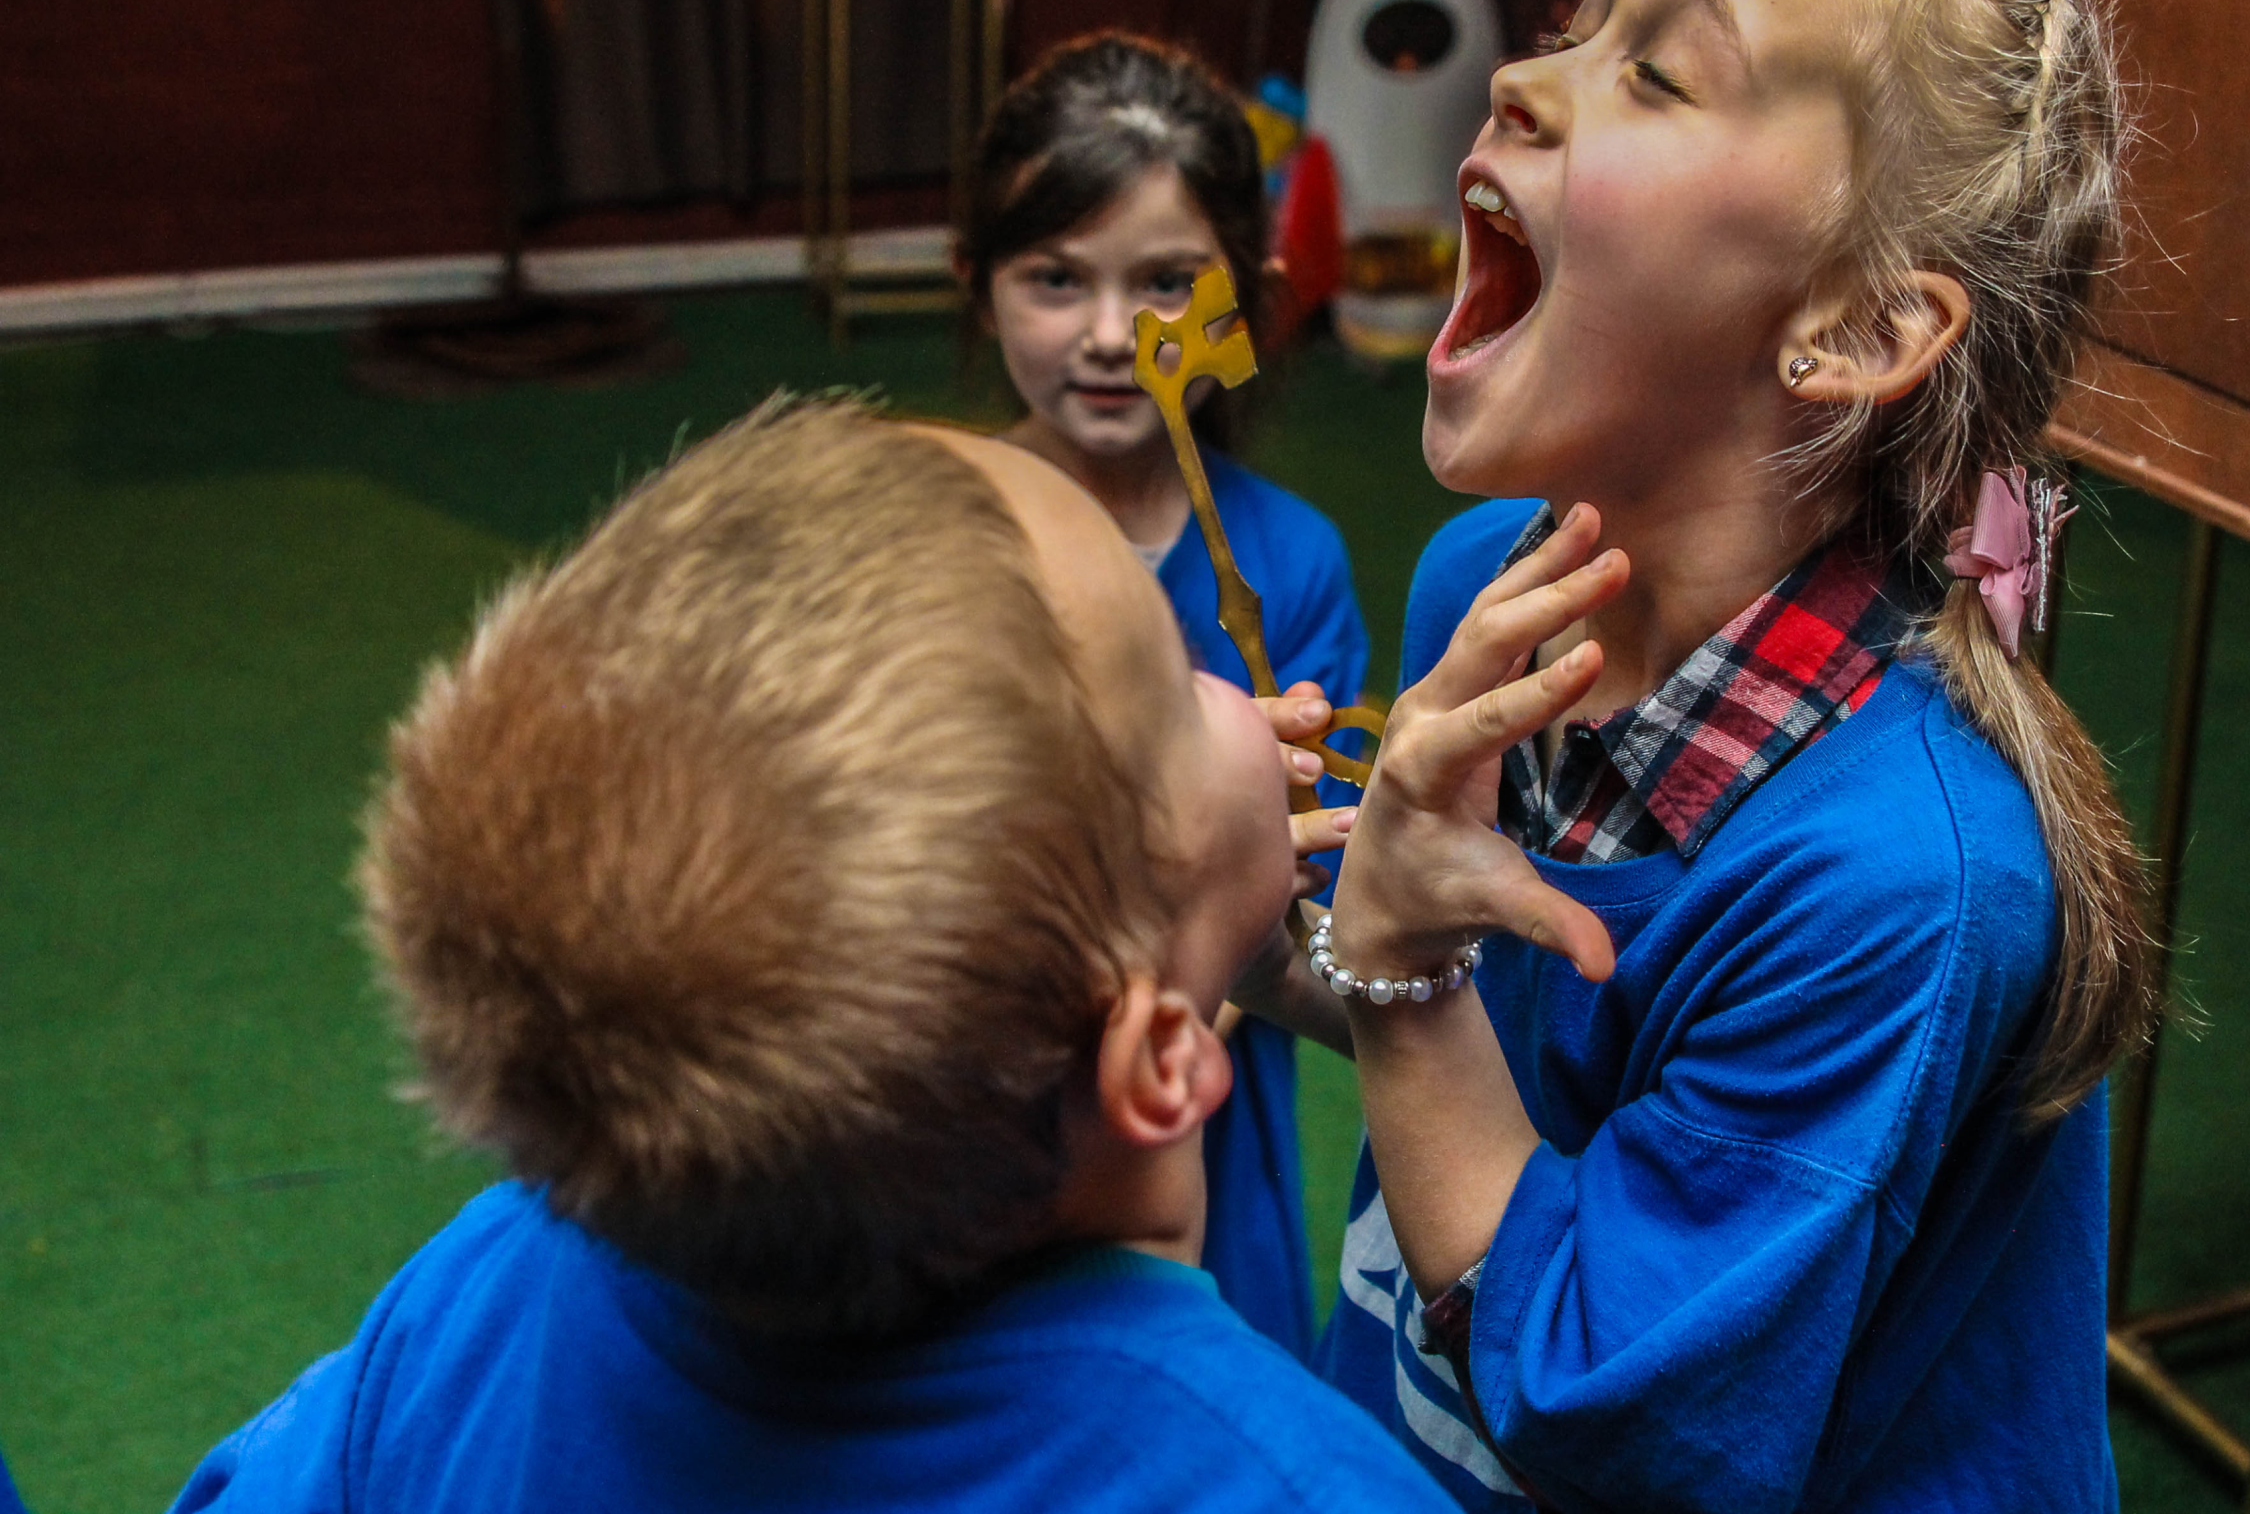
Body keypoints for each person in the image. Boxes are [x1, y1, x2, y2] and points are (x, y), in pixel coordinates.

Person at [1241, 0, 2158, 1511]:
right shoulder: (1485, 590)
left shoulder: (1899, 878)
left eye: (1656, 74)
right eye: (1577, 28)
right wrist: (1246, 904)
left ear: (1856, 325)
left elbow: (1621, 1417)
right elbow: (1494, 1052)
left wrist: (1402, 967)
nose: (1519, 77)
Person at [168, 403, 1452, 1514]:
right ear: (1160, 1058)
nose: (1229, 693)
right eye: (1176, 680)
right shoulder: (1297, 1484)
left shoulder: (488, 1284)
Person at [962, 32, 1369, 1357]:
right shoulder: (935, 532)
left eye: (1163, 282)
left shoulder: (1290, 563)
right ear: (978, 286)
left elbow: (1305, 909)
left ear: (1246, 296)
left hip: (1192, 1127)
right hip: (967, 1115)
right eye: (1055, 277)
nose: (1105, 334)